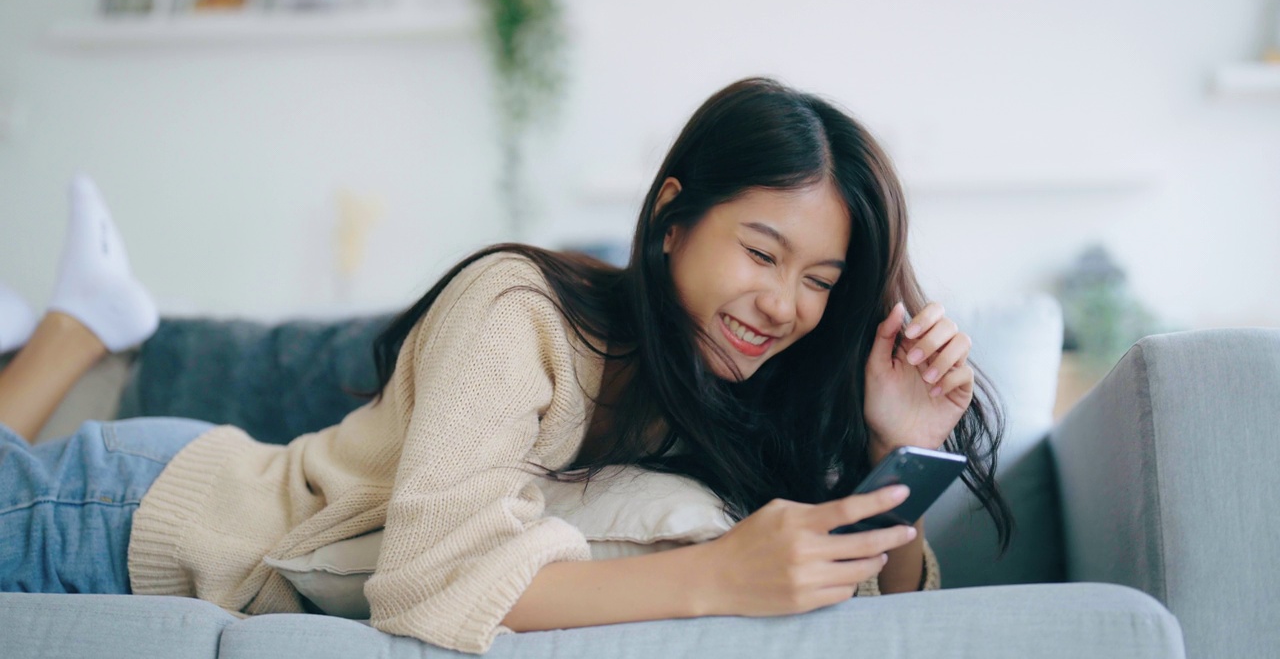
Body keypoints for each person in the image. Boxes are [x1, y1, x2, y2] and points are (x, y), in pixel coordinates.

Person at [0, 77, 1012, 655]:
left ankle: (77, 325)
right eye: (760, 253)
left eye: (821, 280)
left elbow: (884, 625)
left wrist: (900, 449)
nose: (784, 306)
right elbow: (427, 585)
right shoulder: (519, 308)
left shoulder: (734, 393)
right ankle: (72, 330)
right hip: (127, 512)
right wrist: (714, 577)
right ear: (671, 217)